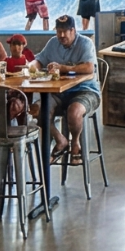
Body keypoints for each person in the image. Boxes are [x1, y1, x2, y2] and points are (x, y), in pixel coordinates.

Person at [33, 16, 101, 153]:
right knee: (38, 110)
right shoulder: (53, 43)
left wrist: (63, 68)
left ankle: (75, 143)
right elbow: (39, 60)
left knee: (74, 112)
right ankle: (60, 140)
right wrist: (31, 67)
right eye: (59, 31)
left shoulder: (85, 43)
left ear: (73, 30)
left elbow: (89, 68)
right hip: (60, 92)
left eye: (65, 31)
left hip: (85, 90)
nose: (61, 35)